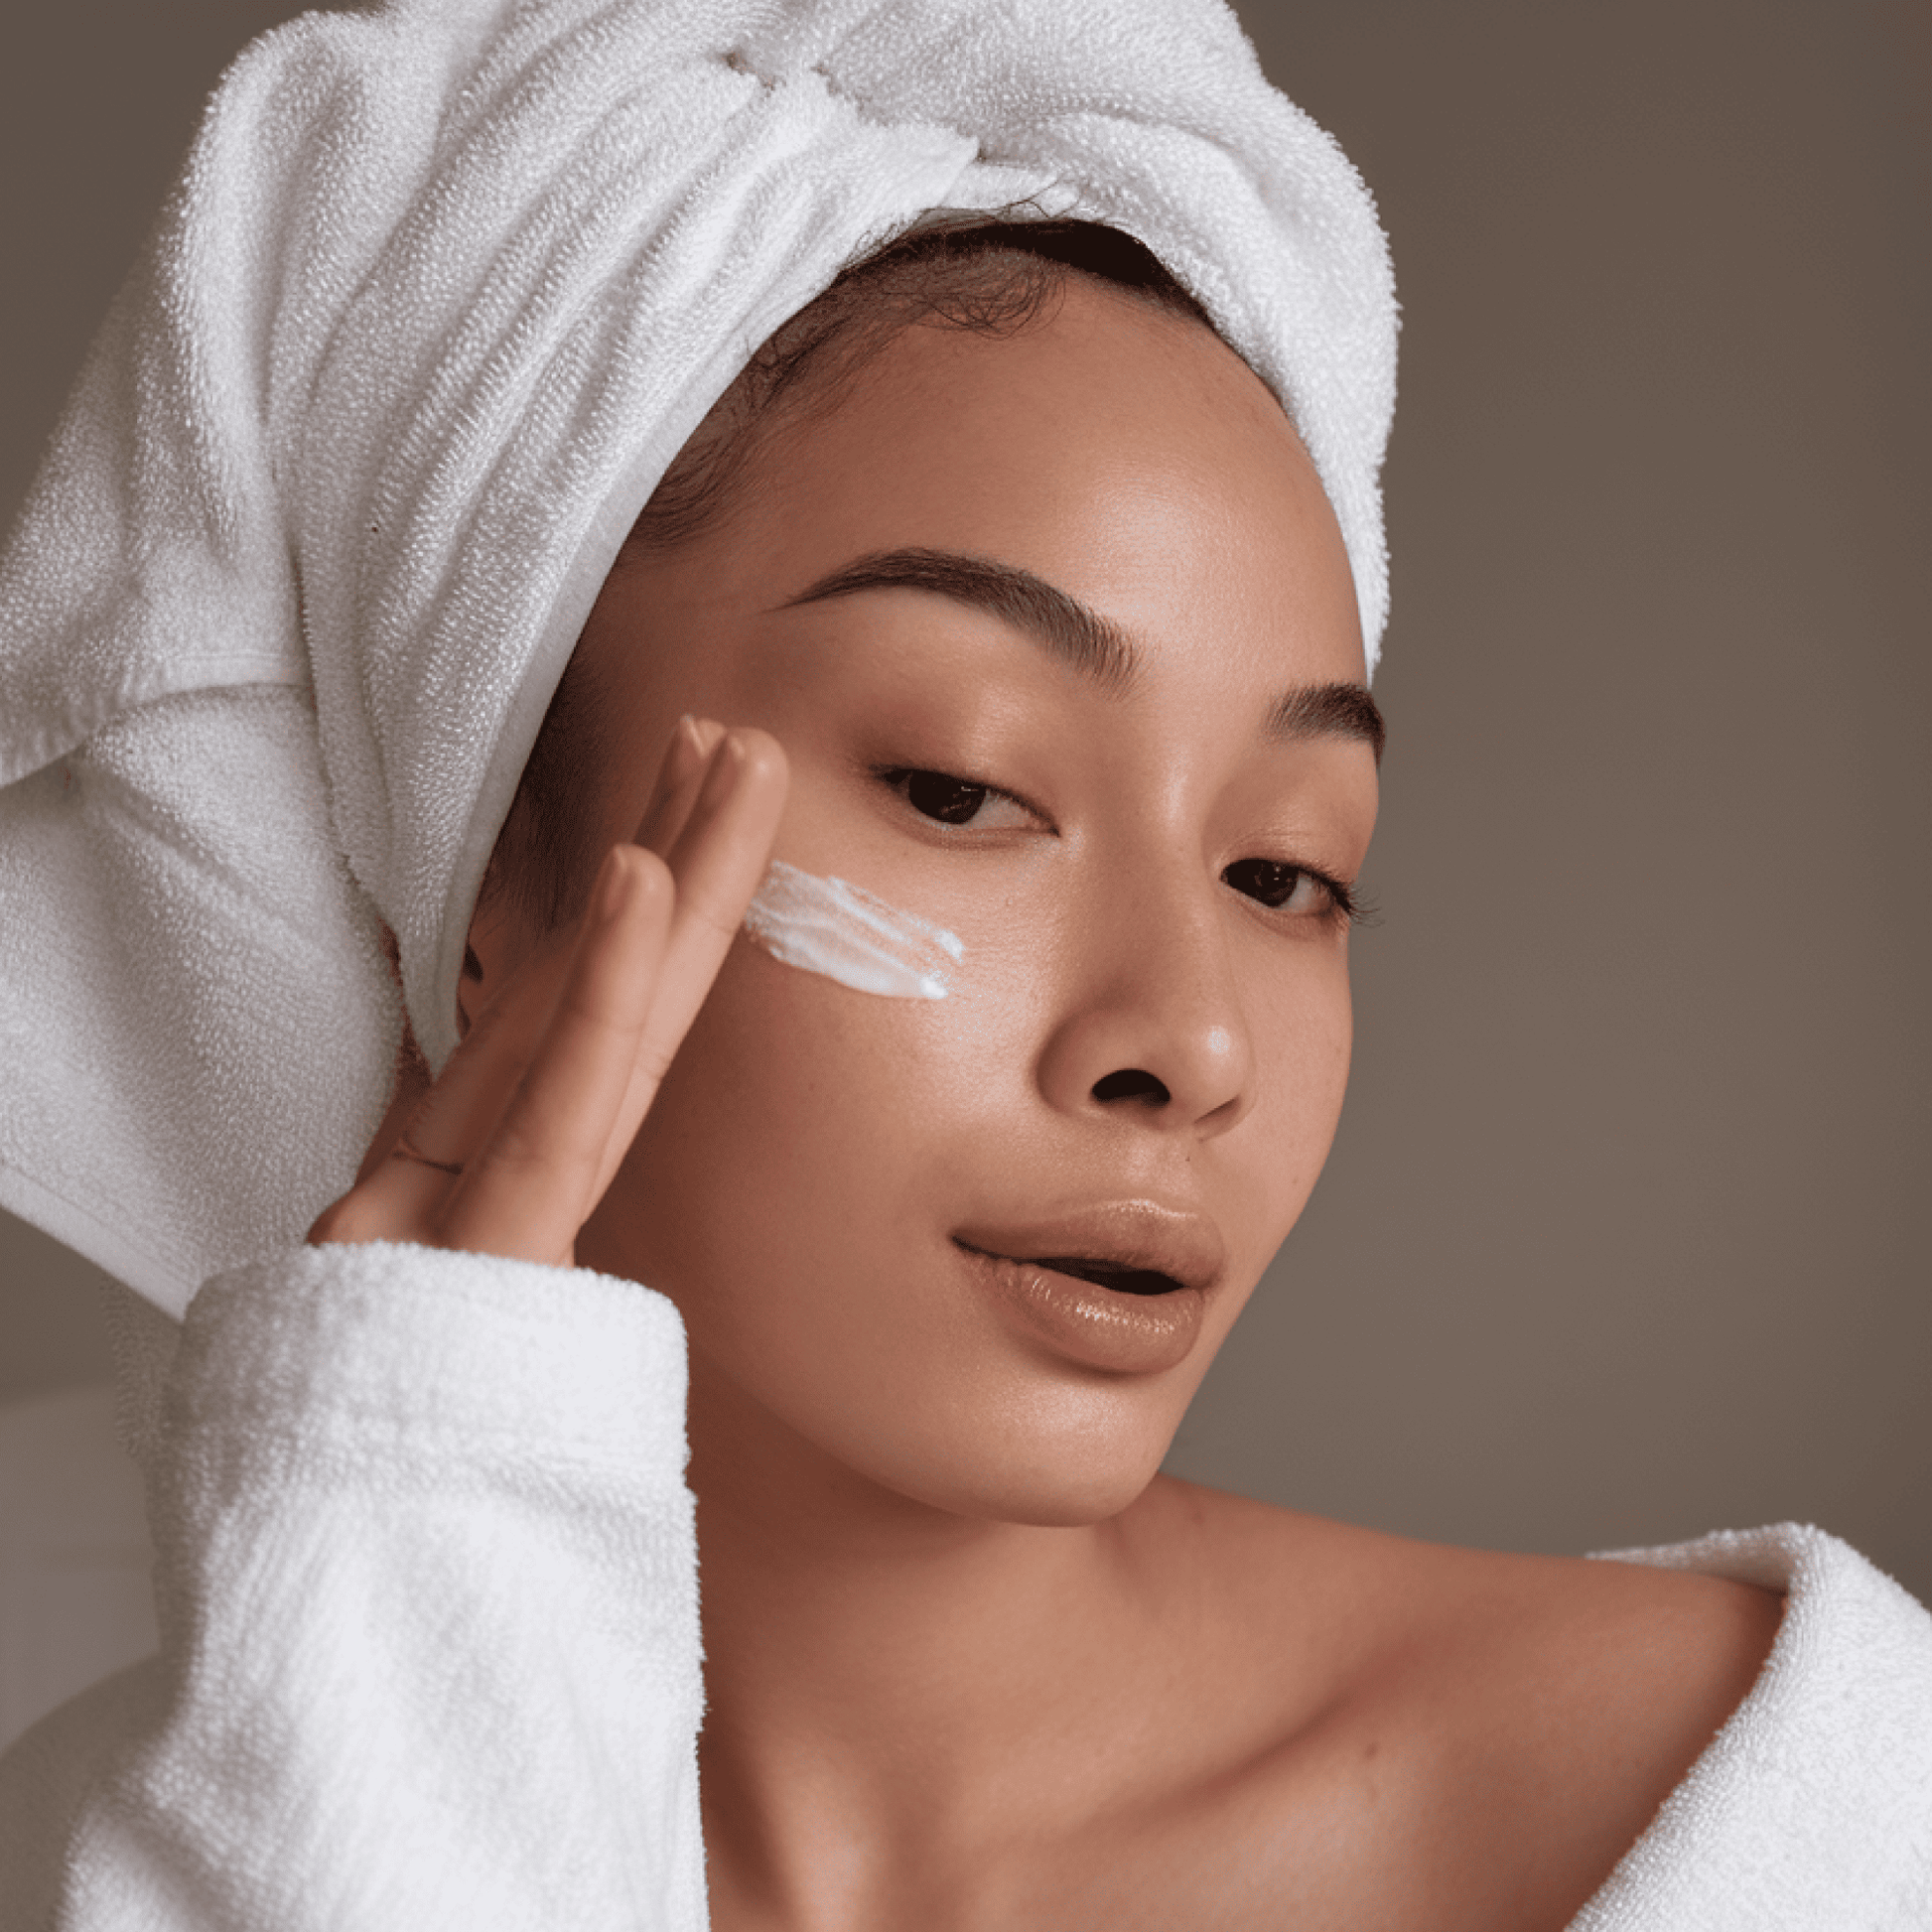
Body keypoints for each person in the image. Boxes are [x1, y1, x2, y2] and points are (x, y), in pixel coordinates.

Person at [1, 3, 1927, 1927]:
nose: (1184, 1039)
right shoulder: (144, 1839)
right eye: (963, 786)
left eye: (1287, 869)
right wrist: (410, 1548)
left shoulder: (1790, 1813)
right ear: (489, 877)